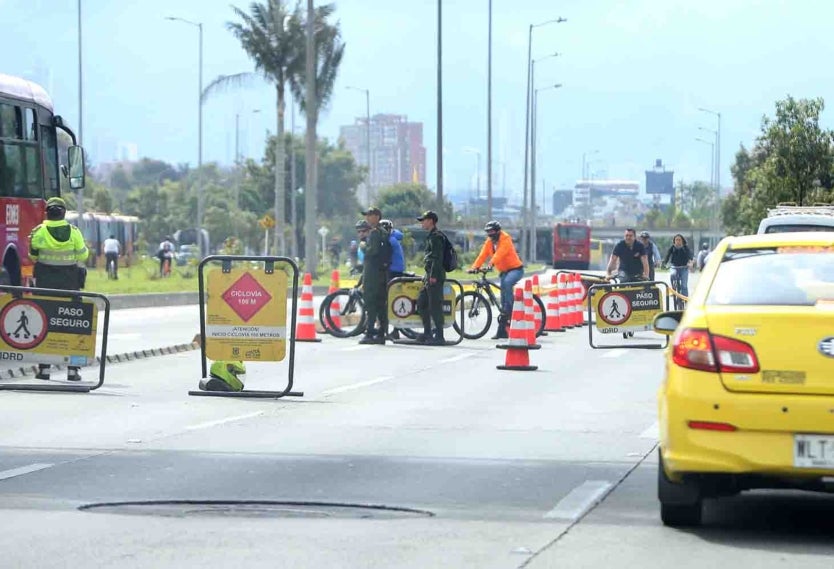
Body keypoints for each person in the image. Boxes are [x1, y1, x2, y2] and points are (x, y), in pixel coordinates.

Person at [29, 197, 89, 381]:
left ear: (47, 213)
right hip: (69, 287)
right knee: (72, 324)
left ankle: (44, 370)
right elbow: (83, 255)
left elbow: (33, 256)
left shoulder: (38, 232)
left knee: (43, 324)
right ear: (64, 213)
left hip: (45, 288)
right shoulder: (74, 232)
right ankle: (73, 371)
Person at [468, 220, 524, 339]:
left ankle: (512, 309)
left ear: (498, 231)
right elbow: (482, 255)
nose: (490, 234)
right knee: (503, 303)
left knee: (507, 283)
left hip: (516, 270)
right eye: (488, 232)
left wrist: (491, 264)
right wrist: (474, 267)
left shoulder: (505, 239)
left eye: (492, 232)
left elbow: (500, 254)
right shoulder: (489, 242)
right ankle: (502, 331)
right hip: (504, 271)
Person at [358, 206, 389, 345]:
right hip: (382, 273)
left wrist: (364, 246)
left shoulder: (375, 233)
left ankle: (370, 333)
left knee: (370, 303)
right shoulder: (383, 232)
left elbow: (373, 251)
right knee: (381, 304)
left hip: (372, 274)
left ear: (376, 217)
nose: (367, 218)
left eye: (369, 215)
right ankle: (381, 333)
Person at [416, 210, 446, 345]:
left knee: (435, 306)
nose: (422, 223)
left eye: (424, 220)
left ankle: (439, 336)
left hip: (435, 276)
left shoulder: (436, 237)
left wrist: (433, 276)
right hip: (428, 276)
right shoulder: (431, 236)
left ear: (431, 221)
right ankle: (427, 332)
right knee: (422, 303)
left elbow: (436, 258)